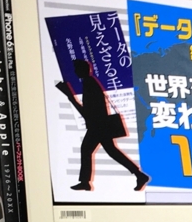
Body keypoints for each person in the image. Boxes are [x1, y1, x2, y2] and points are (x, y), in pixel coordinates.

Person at [56, 59, 149, 192]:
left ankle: (85, 182)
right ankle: (139, 175)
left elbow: (87, 112)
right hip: (99, 125)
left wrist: (70, 96)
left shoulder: (89, 83)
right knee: (110, 151)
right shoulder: (90, 82)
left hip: (97, 126)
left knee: (89, 150)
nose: (75, 72)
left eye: (77, 69)